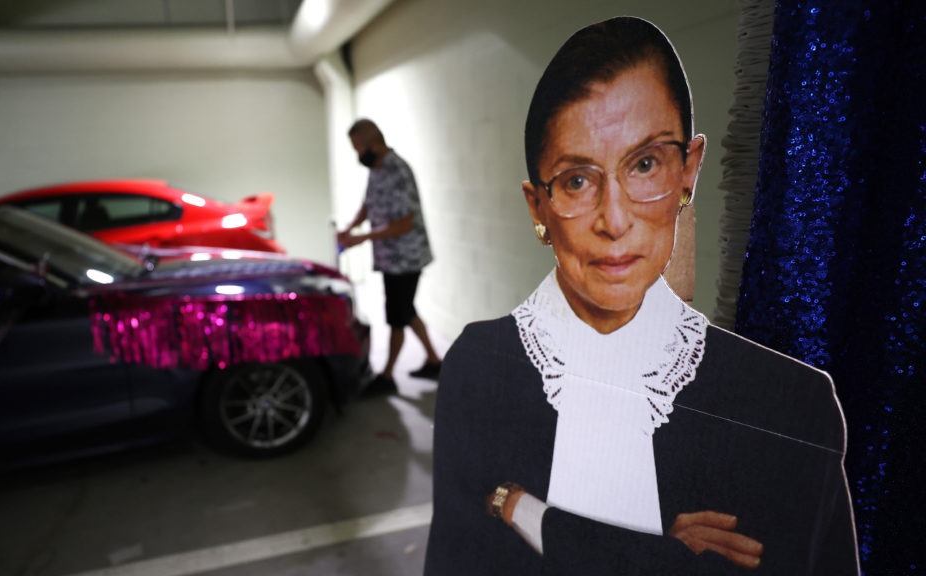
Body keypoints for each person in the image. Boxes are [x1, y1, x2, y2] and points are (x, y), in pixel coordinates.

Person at [424, 17, 858, 575]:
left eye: (645, 164)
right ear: (539, 208)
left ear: (689, 171)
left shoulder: (791, 405)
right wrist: (663, 553)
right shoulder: (480, 368)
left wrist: (518, 507)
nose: (615, 218)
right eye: (578, 179)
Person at [337, 119, 443, 393]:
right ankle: (434, 360)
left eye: (359, 148)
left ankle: (386, 377)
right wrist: (351, 227)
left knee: (396, 317)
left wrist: (362, 238)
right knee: (406, 310)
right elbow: (368, 204)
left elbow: (404, 224)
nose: (358, 155)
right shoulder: (377, 169)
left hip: (406, 259)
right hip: (390, 259)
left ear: (374, 143)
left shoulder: (398, 170)